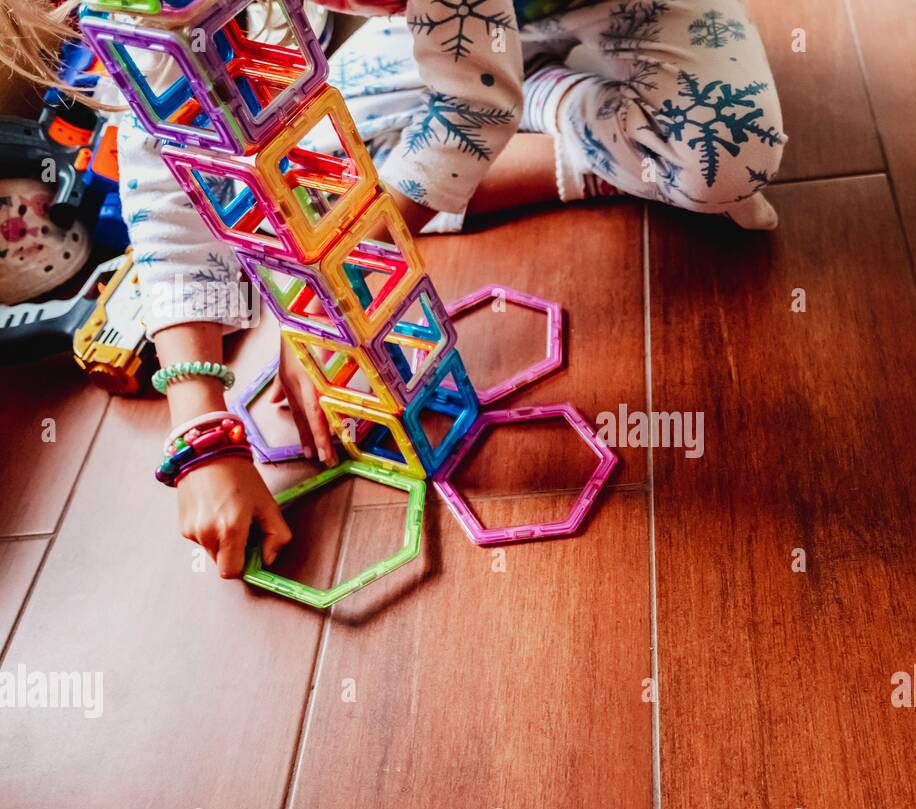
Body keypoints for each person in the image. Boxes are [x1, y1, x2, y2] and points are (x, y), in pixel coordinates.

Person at [1, 0, 786, 577]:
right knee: (299, 167)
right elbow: (169, 164)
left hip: (606, 13)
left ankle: (558, 107)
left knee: (728, 158)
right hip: (434, 39)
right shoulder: (153, 14)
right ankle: (570, 119)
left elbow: (478, 101)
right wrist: (199, 431)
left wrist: (336, 287)